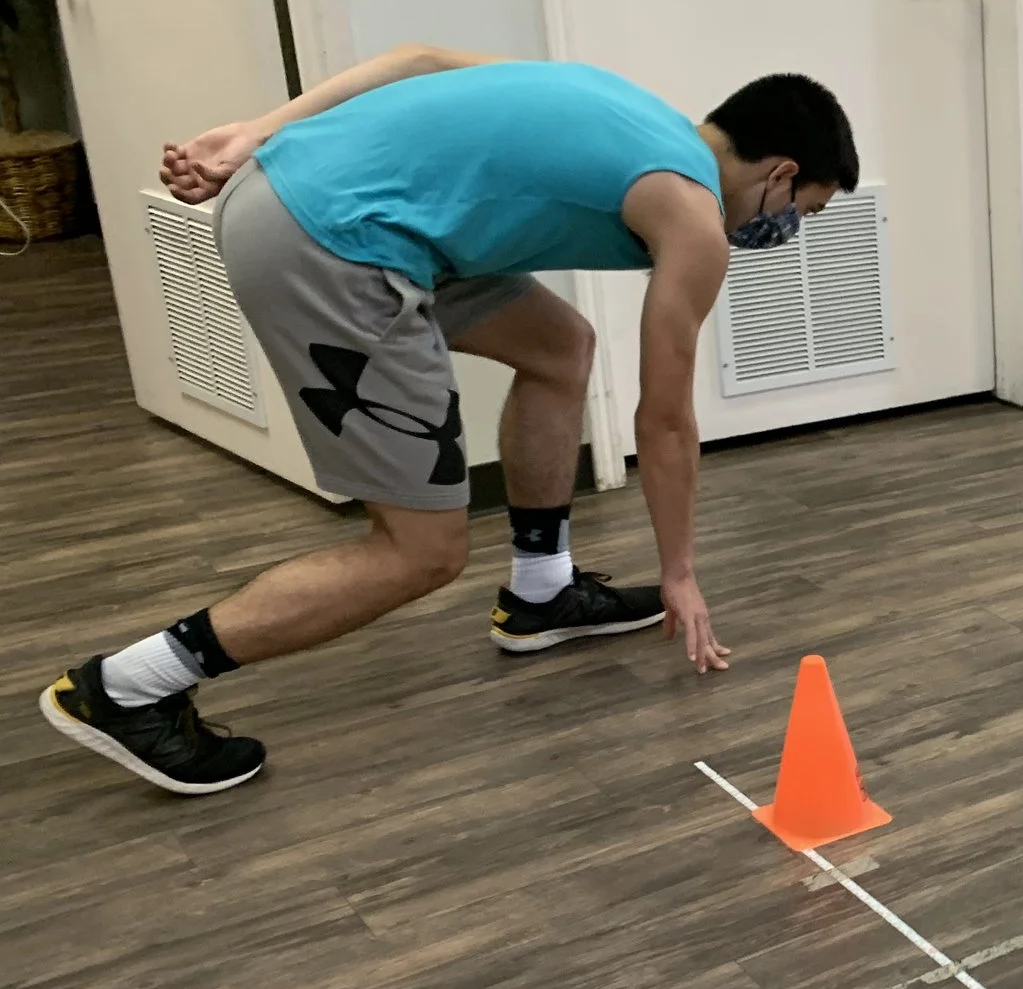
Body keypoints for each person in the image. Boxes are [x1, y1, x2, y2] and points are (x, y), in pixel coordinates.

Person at [38, 47, 857, 796]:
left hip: (306, 192)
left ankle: (541, 591)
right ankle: (127, 686)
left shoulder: (642, 114)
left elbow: (420, 60)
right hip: (331, 240)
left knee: (559, 346)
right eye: (805, 210)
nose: (789, 230)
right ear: (781, 172)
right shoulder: (694, 216)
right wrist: (679, 569)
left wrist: (260, 131)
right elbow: (666, 422)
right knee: (420, 552)